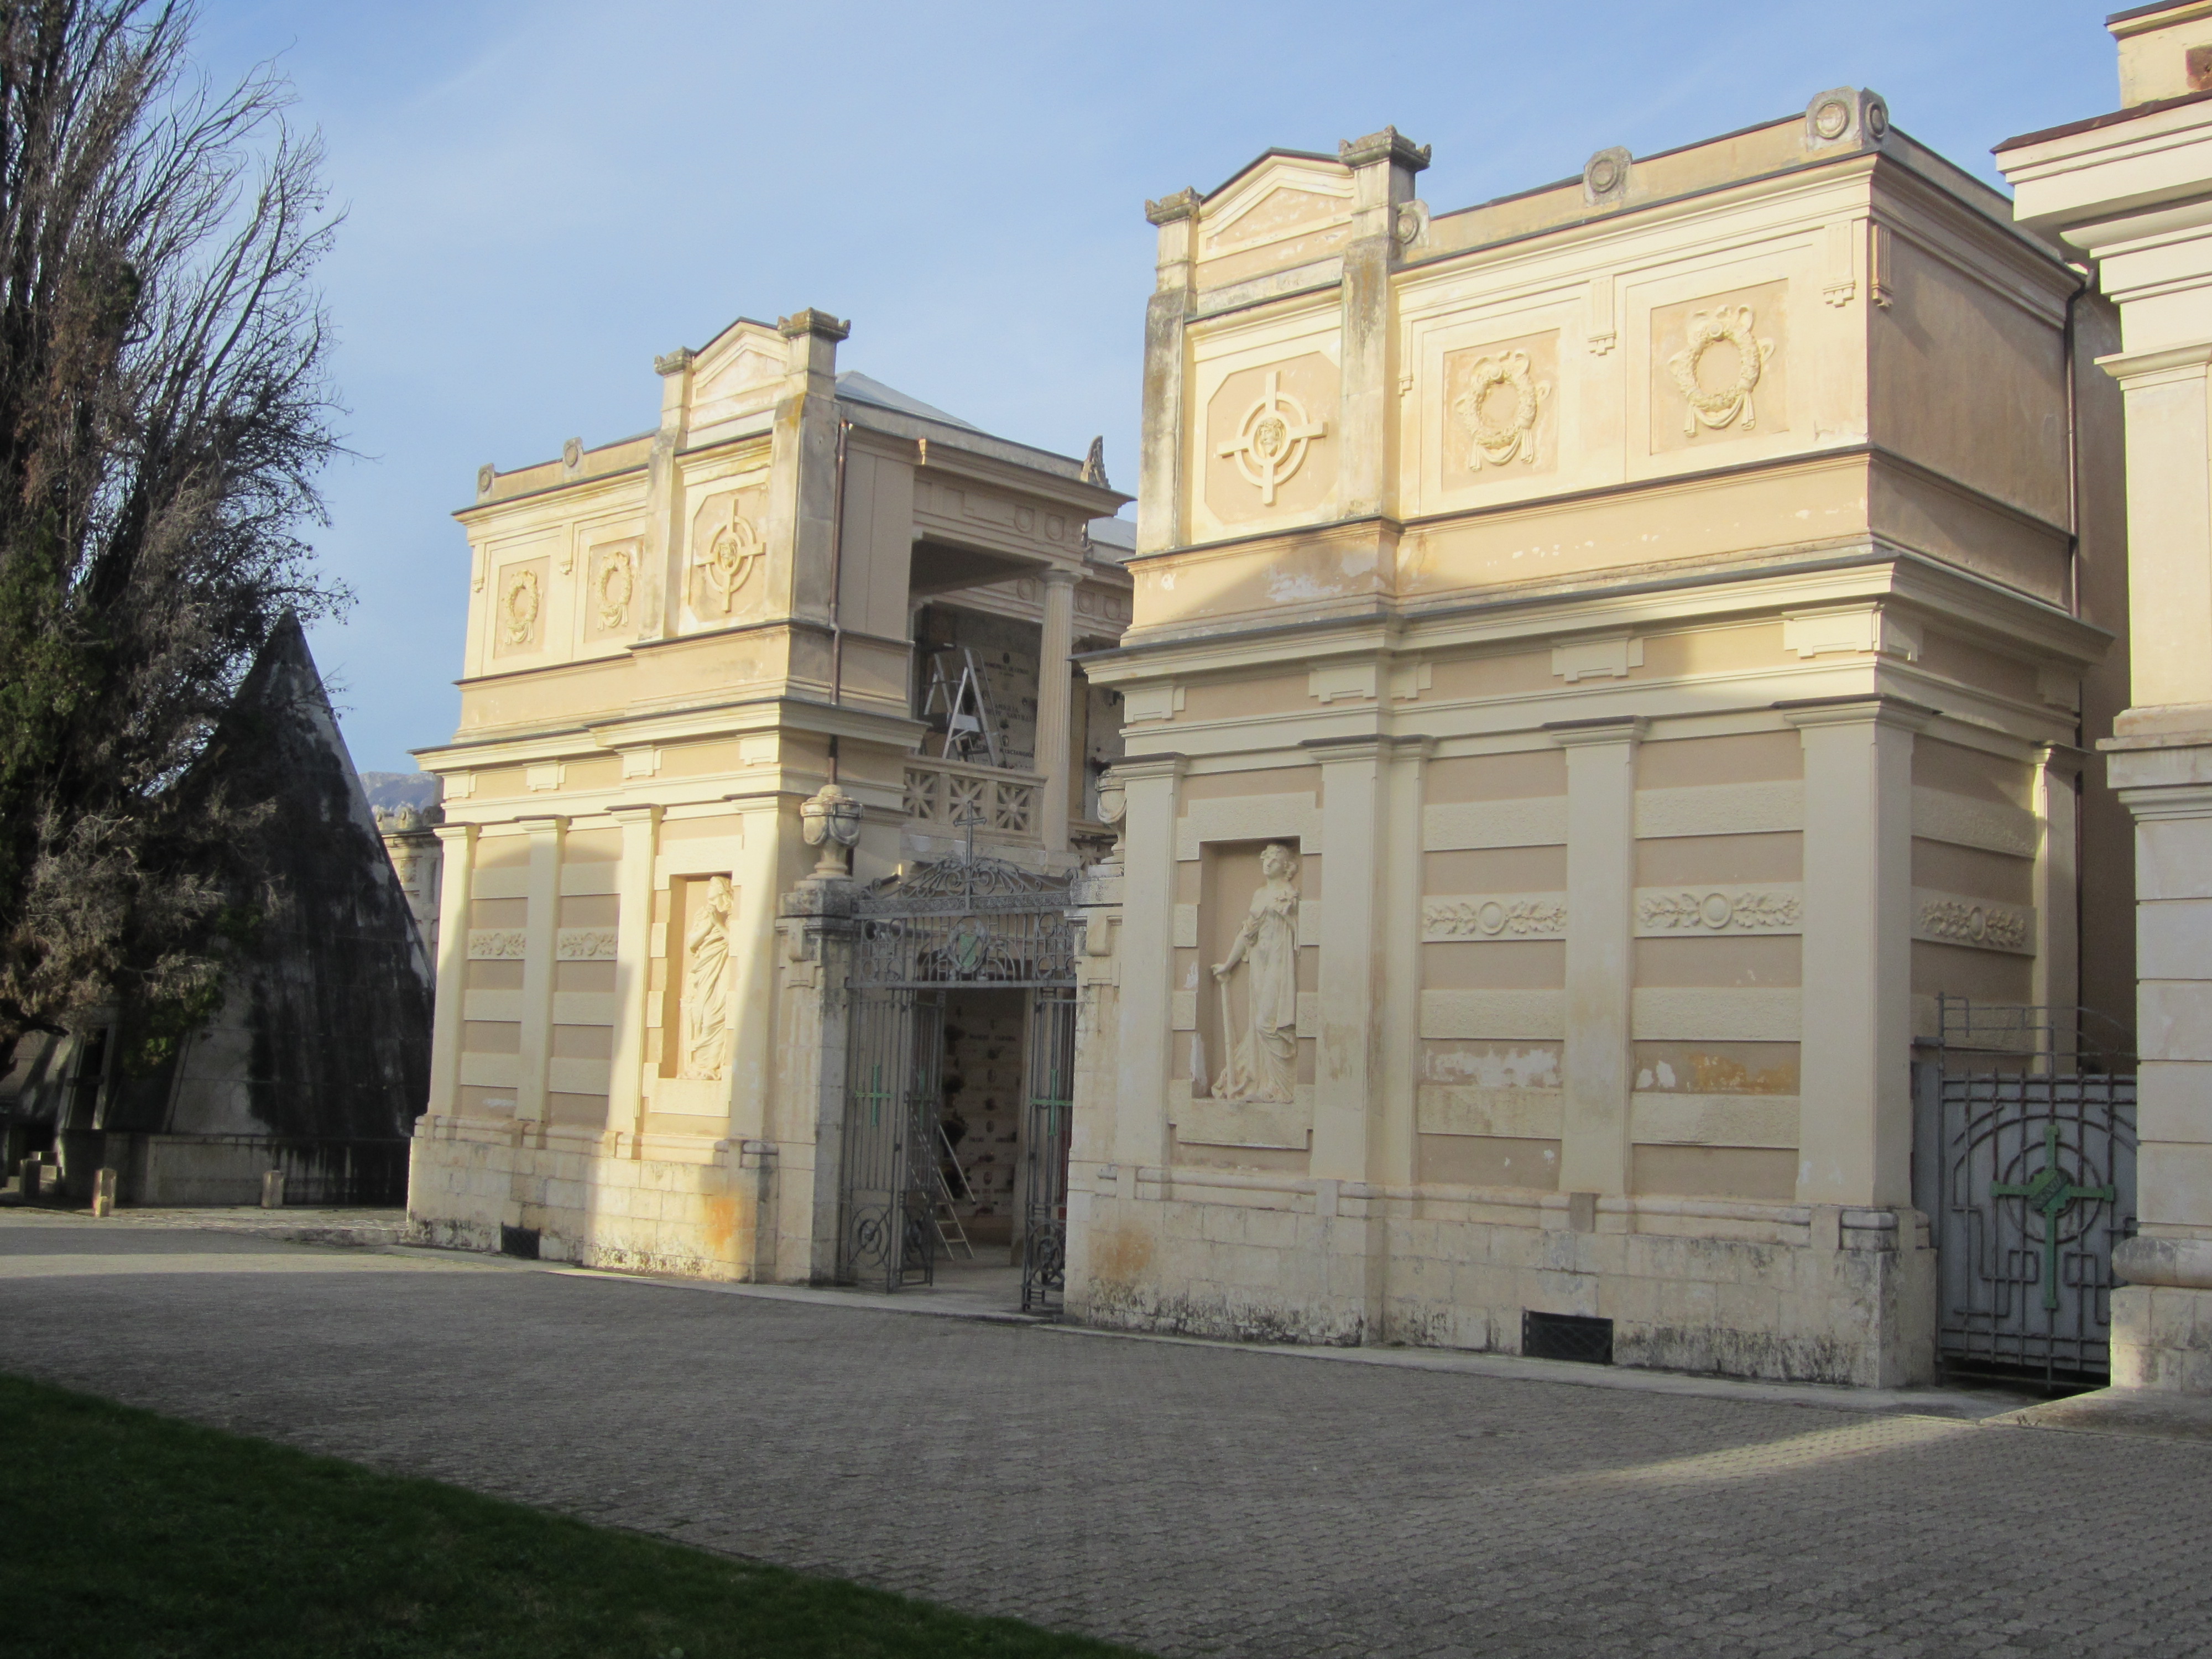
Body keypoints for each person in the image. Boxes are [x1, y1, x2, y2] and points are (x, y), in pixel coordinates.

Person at [1212, 843, 1298, 1103]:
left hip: (1279, 962)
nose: (1267, 862)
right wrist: (1228, 964)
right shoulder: (1259, 894)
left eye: (1274, 858)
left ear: (1286, 865)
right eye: (1265, 857)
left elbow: (1301, 931)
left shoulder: (1289, 893)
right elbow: (1248, 932)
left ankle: (1281, 1088)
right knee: (1258, 1024)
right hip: (1260, 963)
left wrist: (1290, 914)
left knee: (1268, 1022)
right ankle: (1264, 1083)